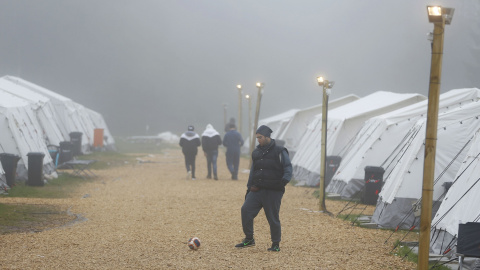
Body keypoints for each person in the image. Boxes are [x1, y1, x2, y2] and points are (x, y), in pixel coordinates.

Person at [235, 125, 292, 252]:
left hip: (274, 190)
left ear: (267, 136)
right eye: (257, 138)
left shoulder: (280, 150)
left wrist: (284, 181)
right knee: (246, 210)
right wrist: (249, 189)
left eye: (260, 137)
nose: (258, 140)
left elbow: (288, 167)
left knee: (272, 217)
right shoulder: (256, 152)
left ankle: (275, 244)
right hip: (257, 189)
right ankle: (249, 239)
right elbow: (253, 172)